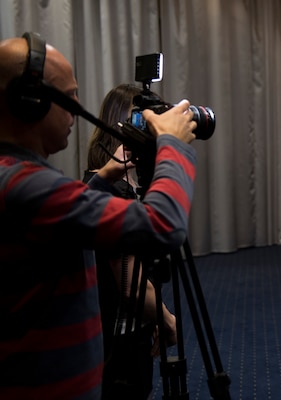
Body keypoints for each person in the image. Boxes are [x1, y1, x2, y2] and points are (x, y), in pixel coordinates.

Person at [0, 32, 197, 400]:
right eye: (70, 96)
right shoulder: (29, 187)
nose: (78, 107)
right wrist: (172, 145)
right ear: (31, 102)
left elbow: (61, 229)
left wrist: (103, 176)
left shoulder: (13, 175)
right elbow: (163, 226)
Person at [84, 84, 178, 399]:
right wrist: (165, 319)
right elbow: (129, 285)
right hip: (119, 342)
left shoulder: (94, 181)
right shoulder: (112, 191)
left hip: (116, 331)